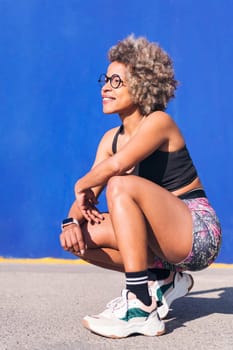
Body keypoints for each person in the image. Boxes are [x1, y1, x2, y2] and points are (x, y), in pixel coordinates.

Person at [60, 35, 221, 338]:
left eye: (116, 82)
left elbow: (114, 170)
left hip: (195, 232)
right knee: (78, 237)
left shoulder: (160, 123)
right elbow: (88, 194)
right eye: (105, 80)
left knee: (120, 184)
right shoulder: (110, 140)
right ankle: (163, 277)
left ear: (143, 84)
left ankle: (140, 307)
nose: (105, 87)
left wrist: (80, 184)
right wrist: (70, 222)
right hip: (159, 239)